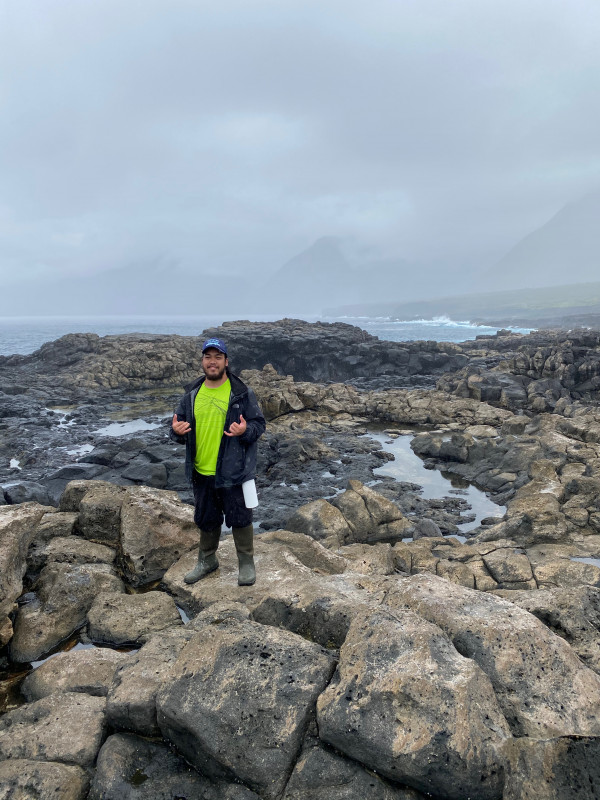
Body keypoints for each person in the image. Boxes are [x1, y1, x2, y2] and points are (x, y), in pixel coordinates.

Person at [170, 337, 266, 586]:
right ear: (202, 361)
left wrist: (244, 431)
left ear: (226, 361)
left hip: (234, 471)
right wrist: (177, 433)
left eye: (217, 357)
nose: (212, 362)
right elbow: (177, 427)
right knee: (206, 518)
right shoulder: (192, 394)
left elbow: (258, 425)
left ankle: (246, 564)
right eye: (208, 357)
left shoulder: (241, 393)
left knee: (240, 518)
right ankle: (207, 560)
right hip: (201, 471)